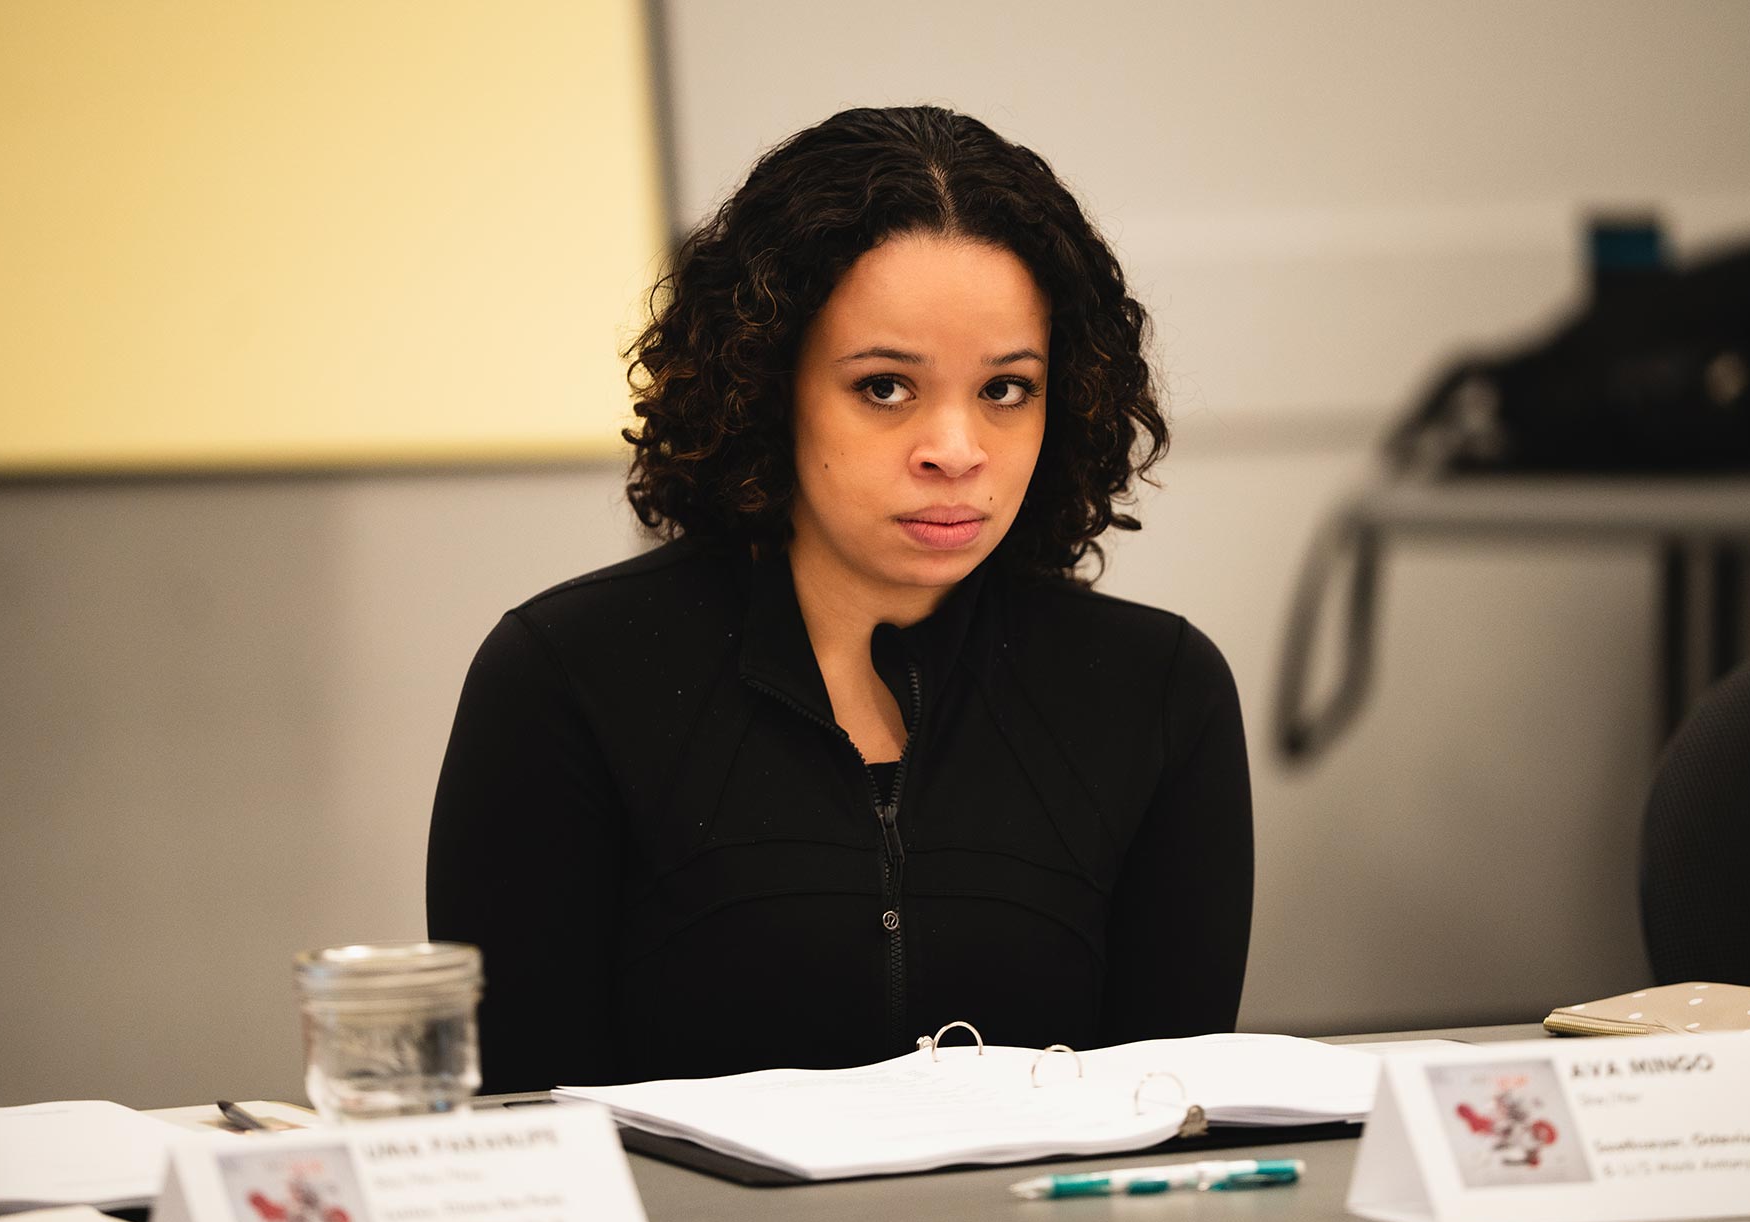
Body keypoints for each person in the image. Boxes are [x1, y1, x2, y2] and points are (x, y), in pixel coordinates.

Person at [427, 106, 1253, 1092]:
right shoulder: (568, 675)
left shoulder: (1157, 691)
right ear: (769, 387)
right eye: (886, 387)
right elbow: (528, 1126)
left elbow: (1165, 1123)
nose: (957, 448)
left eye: (1005, 389)